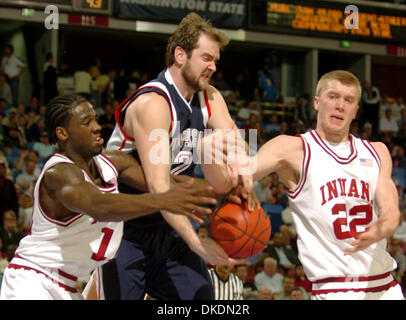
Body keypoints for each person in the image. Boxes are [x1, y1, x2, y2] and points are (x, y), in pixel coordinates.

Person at [0, 94, 220, 300]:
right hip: (31, 280)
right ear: (62, 133)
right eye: (87, 123)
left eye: (95, 120)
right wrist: (162, 200)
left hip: (69, 286)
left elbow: (164, 181)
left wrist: (227, 189)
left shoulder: (112, 162)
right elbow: (98, 205)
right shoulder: (58, 175)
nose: (97, 127)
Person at [100, 12, 252, 300]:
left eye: (216, 60)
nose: (214, 67)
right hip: (128, 230)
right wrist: (197, 242)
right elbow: (160, 190)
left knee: (202, 299)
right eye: (207, 58)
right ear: (180, 55)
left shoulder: (210, 97)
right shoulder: (154, 104)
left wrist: (240, 176)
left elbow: (238, 144)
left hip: (171, 231)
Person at [252, 70, 404, 300]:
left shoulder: (377, 151)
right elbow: (240, 174)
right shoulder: (292, 149)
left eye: (348, 100)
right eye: (333, 96)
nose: (340, 105)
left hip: (385, 288)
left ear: (356, 111)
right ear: (317, 102)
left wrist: (383, 227)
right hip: (333, 290)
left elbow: (392, 211)